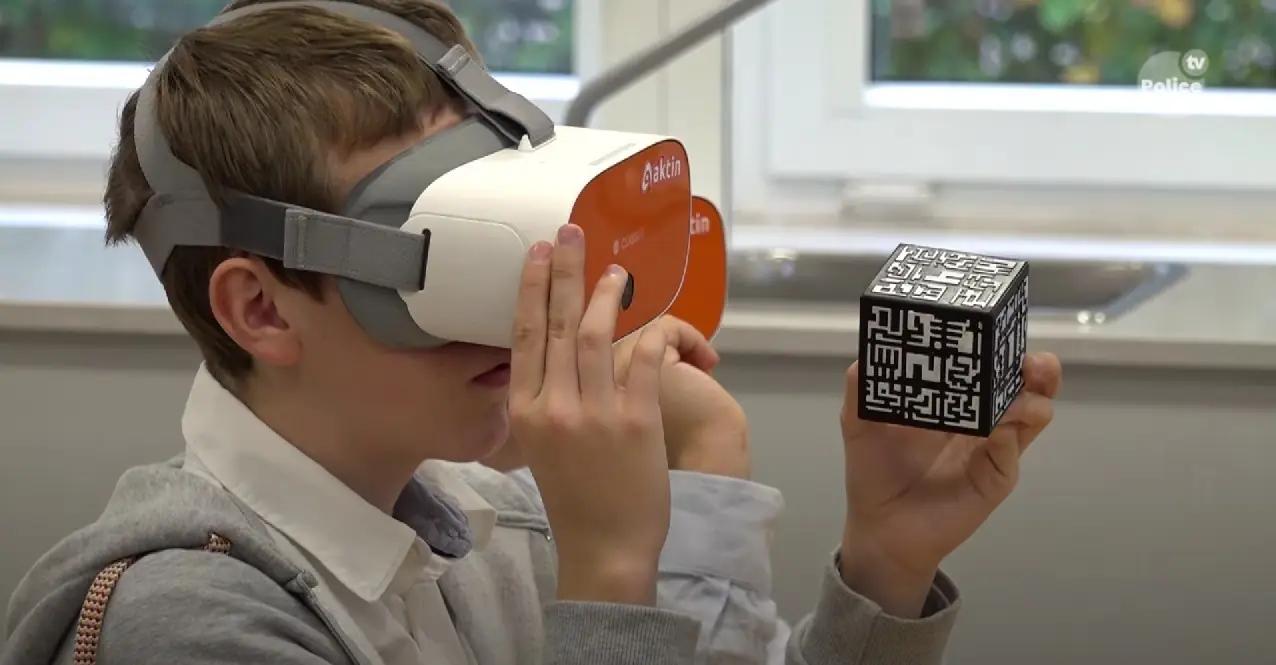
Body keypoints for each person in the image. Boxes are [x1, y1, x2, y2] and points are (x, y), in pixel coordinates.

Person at [0, 1, 1063, 664]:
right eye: (453, 250)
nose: (525, 302)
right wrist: (607, 568)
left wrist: (883, 563)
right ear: (263, 309)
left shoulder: (491, 519)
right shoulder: (182, 617)